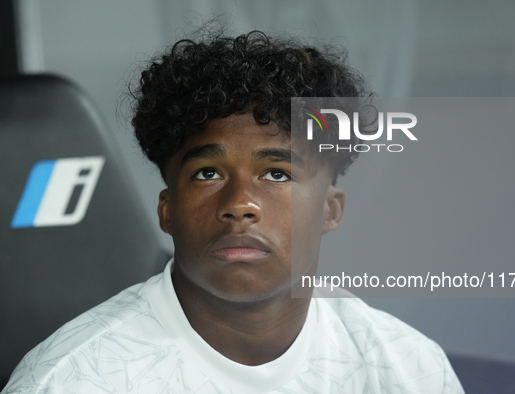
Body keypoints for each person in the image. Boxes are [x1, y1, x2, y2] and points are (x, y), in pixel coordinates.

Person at [2, 30, 464, 393]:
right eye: (208, 173)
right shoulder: (69, 382)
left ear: (330, 210)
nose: (240, 204)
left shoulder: (407, 368)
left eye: (277, 175)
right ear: (167, 210)